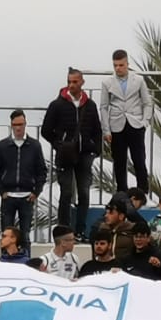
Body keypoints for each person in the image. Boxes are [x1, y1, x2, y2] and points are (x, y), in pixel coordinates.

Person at [41, 68, 103, 233]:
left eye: (75, 82)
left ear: (82, 82)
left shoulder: (90, 105)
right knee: (66, 192)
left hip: (85, 153)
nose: (71, 85)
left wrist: (95, 149)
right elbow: (46, 130)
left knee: (84, 192)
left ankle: (81, 230)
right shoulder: (57, 104)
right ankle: (64, 228)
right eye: (69, 82)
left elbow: (97, 129)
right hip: (65, 155)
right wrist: (59, 144)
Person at [0, 110, 46, 246]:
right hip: (8, 196)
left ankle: (25, 261)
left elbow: (41, 171)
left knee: (25, 235)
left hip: (27, 196)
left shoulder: (34, 145)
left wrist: (36, 192)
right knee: (6, 235)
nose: (18, 128)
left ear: (25, 124)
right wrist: (1, 191)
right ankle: (5, 263)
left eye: (21, 124)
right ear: (11, 125)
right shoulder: (3, 145)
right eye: (15, 124)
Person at [102, 49, 149, 192]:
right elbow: (103, 107)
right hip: (117, 126)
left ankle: (143, 192)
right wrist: (106, 129)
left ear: (127, 64)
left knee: (139, 160)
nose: (118, 68)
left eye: (121, 65)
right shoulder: (107, 82)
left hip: (135, 124)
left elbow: (147, 102)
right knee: (119, 162)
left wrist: (144, 122)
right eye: (115, 65)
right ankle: (121, 192)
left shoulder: (138, 79)